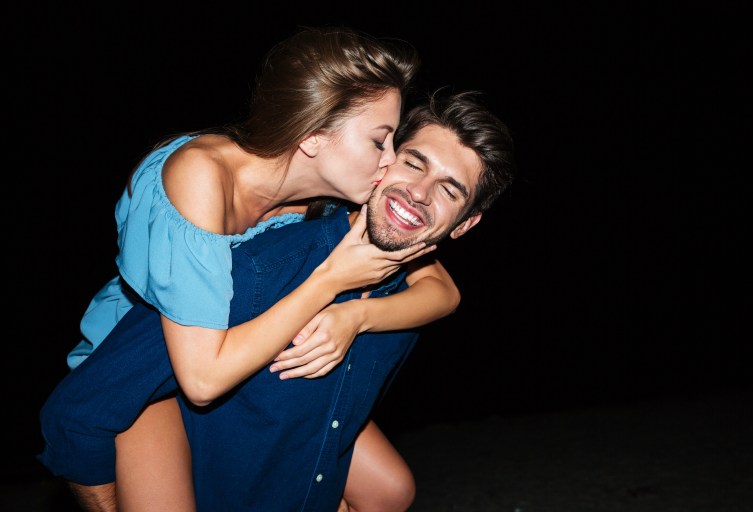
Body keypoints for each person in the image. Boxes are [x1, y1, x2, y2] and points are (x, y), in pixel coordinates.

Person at [40, 26, 464, 511]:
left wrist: (354, 316)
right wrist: (333, 279)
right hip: (149, 360)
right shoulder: (201, 176)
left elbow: (442, 289)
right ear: (313, 135)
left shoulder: (326, 192)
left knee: (388, 489)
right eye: (379, 141)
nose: (390, 163)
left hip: (248, 346)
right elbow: (202, 379)